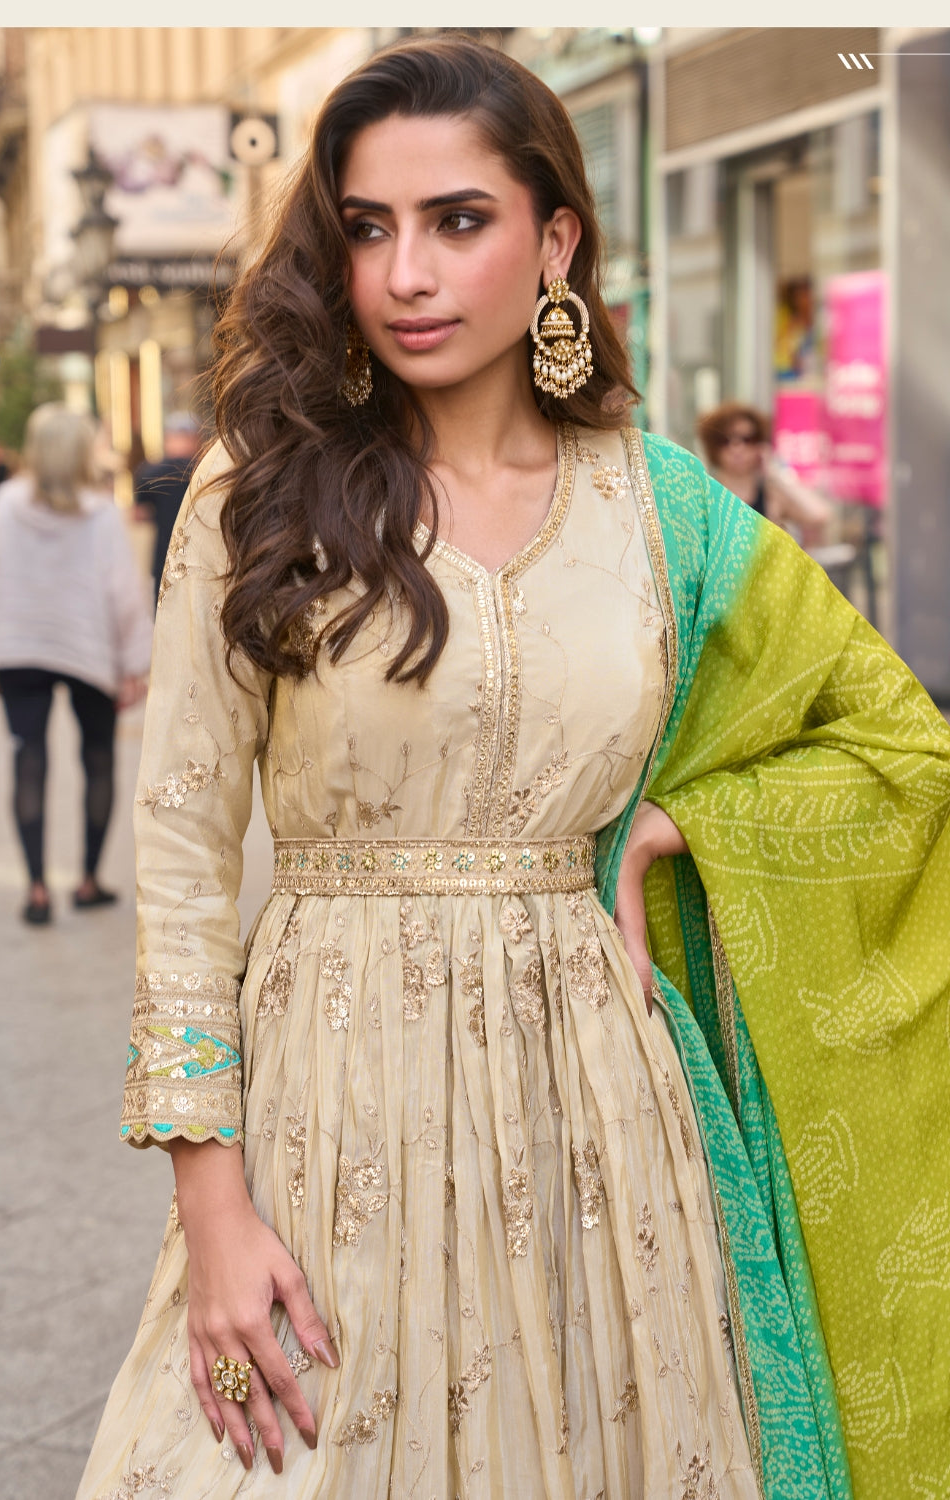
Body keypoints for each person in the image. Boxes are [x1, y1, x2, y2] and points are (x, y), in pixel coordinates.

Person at [77, 37, 950, 1500]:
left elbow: (897, 741)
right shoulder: (263, 488)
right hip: (329, 1096)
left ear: (555, 239)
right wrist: (211, 1205)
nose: (406, 272)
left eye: (458, 222)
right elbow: (177, 847)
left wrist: (691, 821)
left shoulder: (661, 509)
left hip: (600, 1113)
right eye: (369, 227)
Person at [0, 403, 153, 924]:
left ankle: (37, 890)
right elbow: (125, 592)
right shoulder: (98, 511)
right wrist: (136, 661)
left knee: (28, 758)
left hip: (18, 649)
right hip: (88, 650)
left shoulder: (5, 502)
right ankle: (89, 880)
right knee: (97, 757)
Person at [696, 399, 834, 549]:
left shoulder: (771, 494)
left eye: (747, 439)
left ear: (760, 444)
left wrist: (774, 472)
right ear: (713, 447)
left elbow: (819, 515)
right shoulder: (704, 493)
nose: (737, 448)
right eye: (726, 440)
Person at [132, 411, 201, 605]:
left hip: (165, 557)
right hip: (202, 558)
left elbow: (137, 515)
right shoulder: (207, 472)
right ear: (195, 439)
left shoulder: (150, 473)